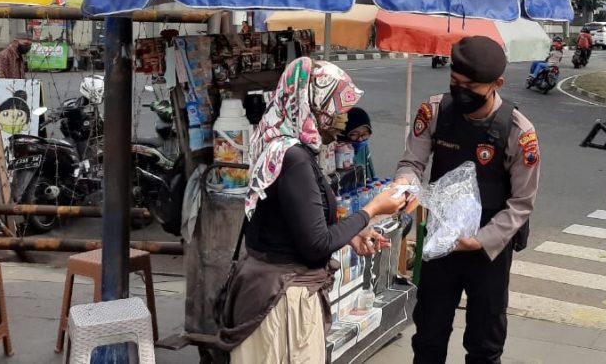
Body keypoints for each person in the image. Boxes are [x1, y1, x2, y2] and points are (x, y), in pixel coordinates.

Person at [215, 57, 408, 363]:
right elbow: (315, 244)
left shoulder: (277, 142)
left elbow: (297, 223)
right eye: (337, 109)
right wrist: (372, 209)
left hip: (271, 289)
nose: (340, 119)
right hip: (281, 303)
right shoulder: (294, 159)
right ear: (315, 105)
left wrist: (352, 234)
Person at [396, 36, 540, 364]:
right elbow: (412, 163)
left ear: (497, 83)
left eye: (470, 86)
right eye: (454, 81)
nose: (460, 91)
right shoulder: (434, 112)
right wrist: (405, 184)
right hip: (440, 241)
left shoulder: (517, 130)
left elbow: (522, 202)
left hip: (488, 249)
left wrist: (480, 240)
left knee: (485, 343)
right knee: (428, 336)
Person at [340, 107, 377, 182]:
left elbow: (369, 177)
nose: (360, 139)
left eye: (364, 134)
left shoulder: (363, 147)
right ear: (345, 133)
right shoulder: (339, 149)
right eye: (354, 134)